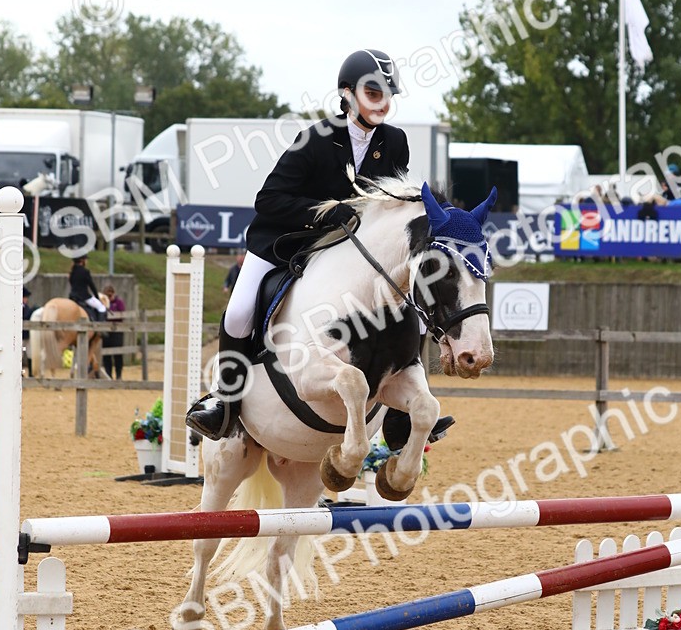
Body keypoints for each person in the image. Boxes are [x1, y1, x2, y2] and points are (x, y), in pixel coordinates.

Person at [186, 48, 452, 446]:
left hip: (347, 250)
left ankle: (400, 415)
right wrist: (323, 213)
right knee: (240, 311)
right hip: (286, 241)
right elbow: (268, 199)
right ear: (347, 94)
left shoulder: (394, 142)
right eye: (374, 93)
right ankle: (225, 401)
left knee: (403, 304)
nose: (384, 103)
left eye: (388, 94)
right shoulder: (316, 138)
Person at [68, 255, 107, 319]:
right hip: (84, 297)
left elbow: (72, 284)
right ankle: (99, 327)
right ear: (82, 260)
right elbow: (92, 286)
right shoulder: (85, 271)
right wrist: (97, 298)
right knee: (101, 307)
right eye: (86, 259)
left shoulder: (71, 272)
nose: (86, 261)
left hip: (72, 296)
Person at [101, 283, 126, 380]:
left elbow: (122, 314)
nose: (109, 298)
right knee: (106, 356)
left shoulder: (118, 302)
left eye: (110, 296)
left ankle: (119, 375)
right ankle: (109, 375)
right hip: (106, 331)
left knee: (118, 355)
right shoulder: (103, 303)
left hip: (117, 331)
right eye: (107, 296)